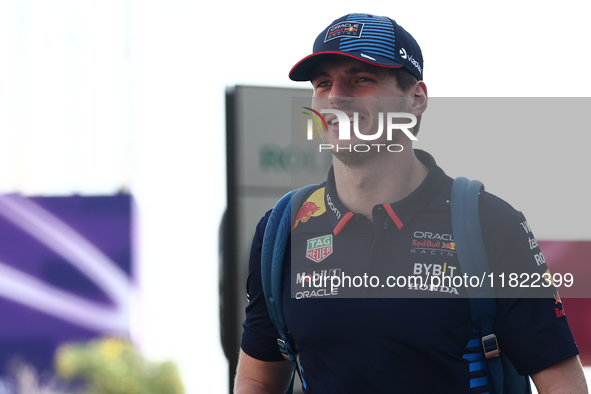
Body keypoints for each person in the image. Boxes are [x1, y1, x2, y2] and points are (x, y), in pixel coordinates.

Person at [234, 13, 587, 393]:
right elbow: (256, 378)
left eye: (362, 79)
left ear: (416, 98)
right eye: (323, 83)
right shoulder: (282, 230)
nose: (336, 95)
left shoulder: (490, 224)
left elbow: (563, 385)